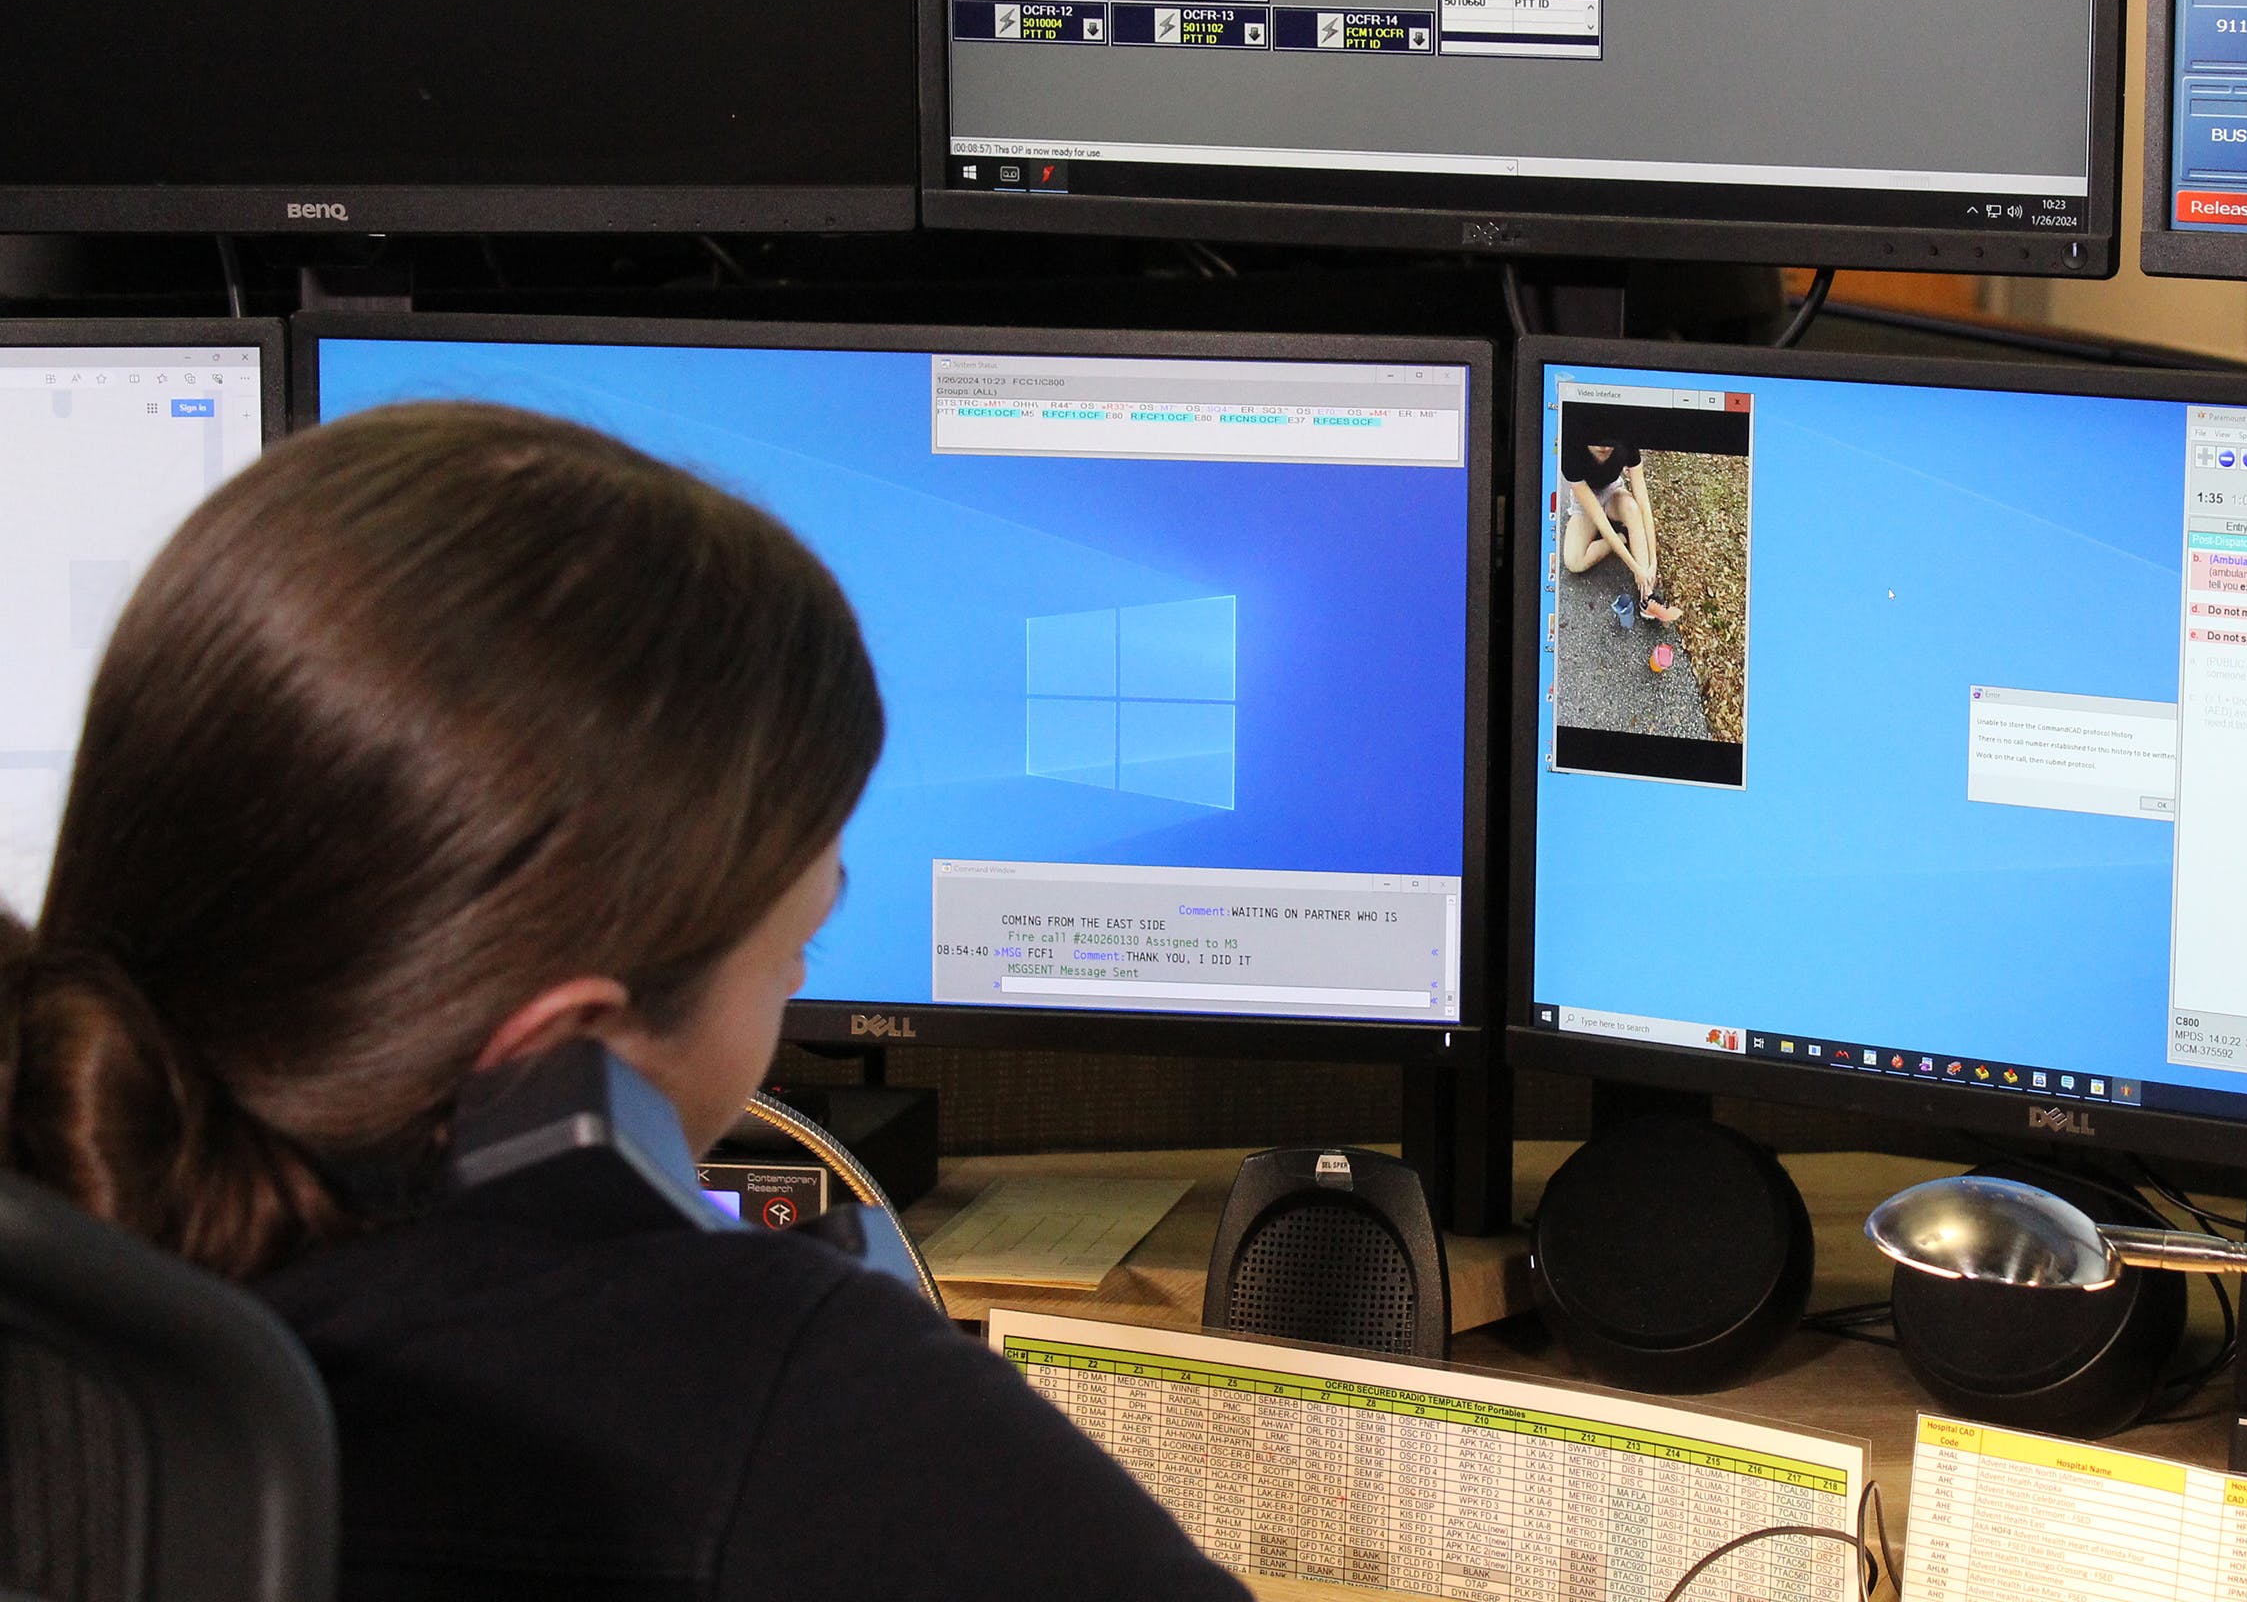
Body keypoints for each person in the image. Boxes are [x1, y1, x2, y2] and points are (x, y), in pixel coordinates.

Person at [0, 402, 1248, 1602]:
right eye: (795, 946)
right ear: (565, 1044)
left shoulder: (71, 1299)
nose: (797, 986)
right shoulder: (800, 1408)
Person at [1559, 430, 1680, 624]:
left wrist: (1653, 561)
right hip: (1586, 500)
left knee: (1632, 509)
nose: (1604, 447)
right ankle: (1624, 535)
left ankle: (1647, 596)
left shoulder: (1627, 440)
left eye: (1610, 441)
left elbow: (1643, 503)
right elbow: (1600, 520)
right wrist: (1634, 566)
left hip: (1612, 491)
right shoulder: (1570, 449)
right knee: (1573, 561)